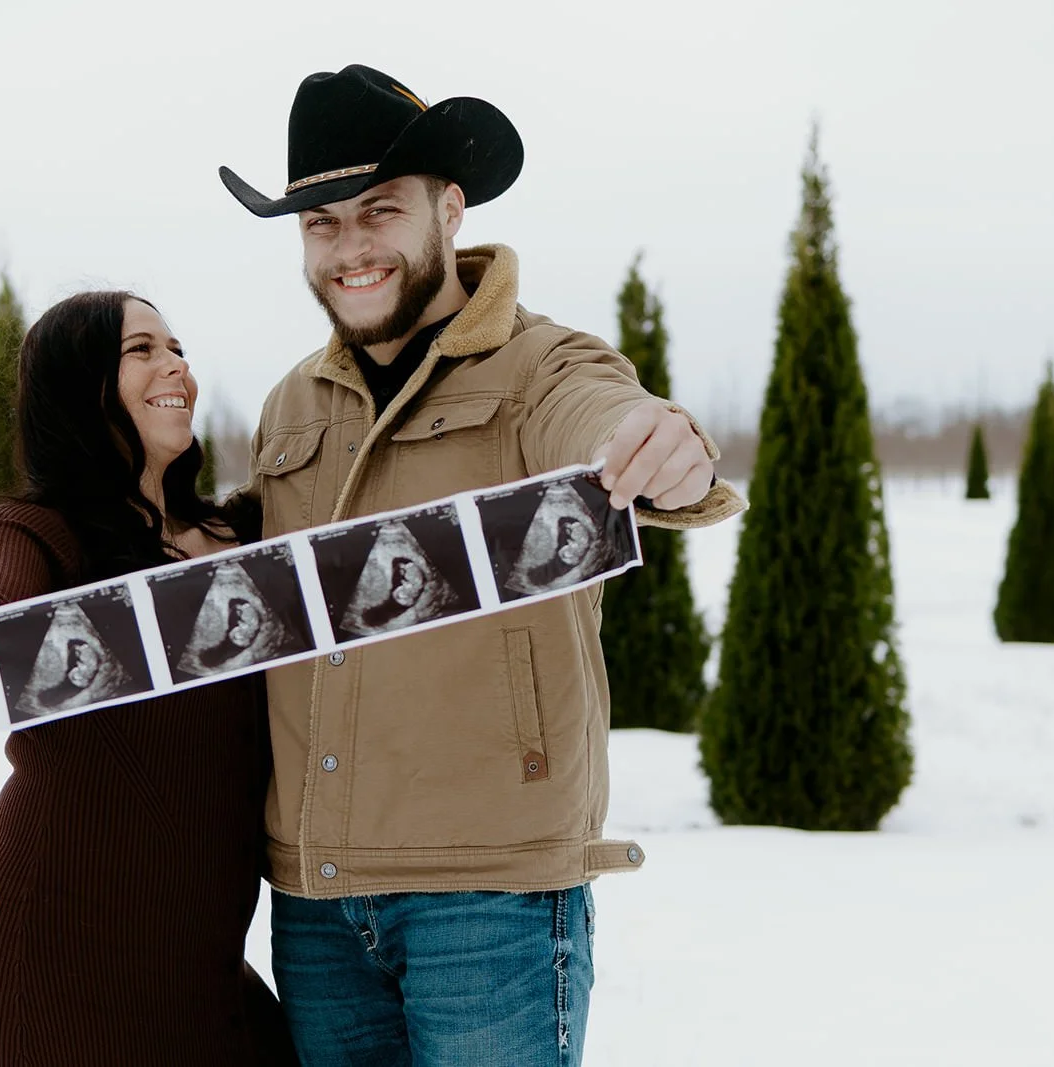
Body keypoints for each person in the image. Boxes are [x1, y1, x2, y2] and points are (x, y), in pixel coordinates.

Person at [218, 65, 748, 1065]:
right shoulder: (291, 405)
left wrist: (656, 445)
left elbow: (602, 416)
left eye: (379, 211)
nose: (350, 246)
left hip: (488, 898)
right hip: (314, 899)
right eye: (321, 224)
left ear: (448, 210)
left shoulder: (543, 364)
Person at [0, 292, 297, 1065]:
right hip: (47, 960)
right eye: (141, 350)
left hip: (189, 968)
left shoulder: (241, 537)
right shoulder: (40, 532)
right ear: (80, 384)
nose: (176, 366)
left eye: (177, 346)